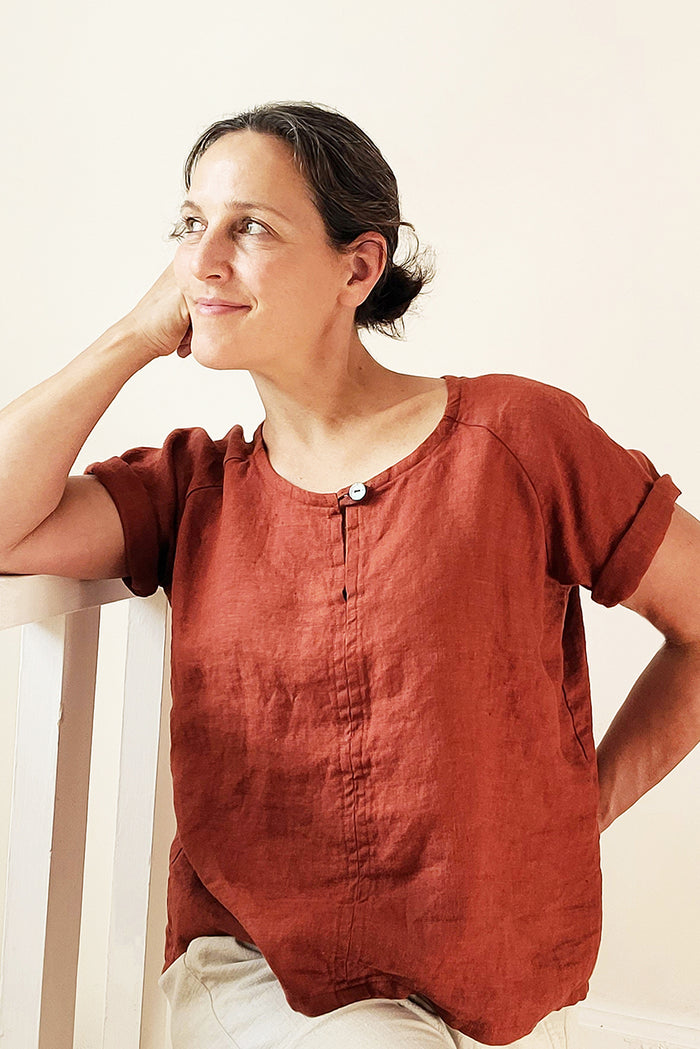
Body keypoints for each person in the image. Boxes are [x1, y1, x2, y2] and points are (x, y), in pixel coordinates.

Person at [0, 100, 698, 1049]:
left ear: (359, 267)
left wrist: (584, 809)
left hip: (504, 993)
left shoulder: (520, 440)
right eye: (191, 223)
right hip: (272, 984)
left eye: (251, 226)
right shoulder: (193, 488)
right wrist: (132, 334)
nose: (203, 261)